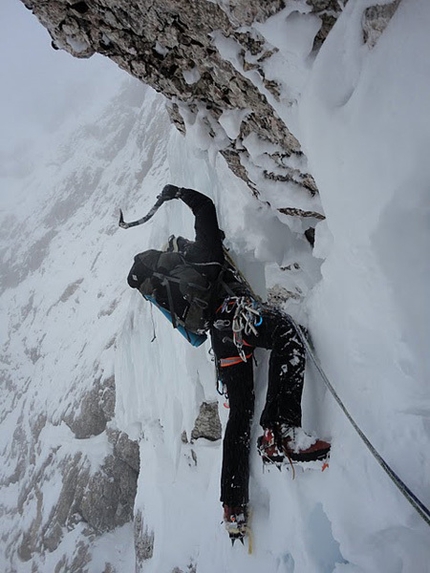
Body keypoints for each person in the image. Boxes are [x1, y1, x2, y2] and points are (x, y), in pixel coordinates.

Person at [126, 185, 330, 541]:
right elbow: (205, 207)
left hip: (222, 339)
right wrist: (179, 193)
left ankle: (232, 504)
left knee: (240, 411)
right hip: (237, 316)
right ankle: (281, 431)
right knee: (287, 334)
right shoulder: (205, 260)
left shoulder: (184, 293)